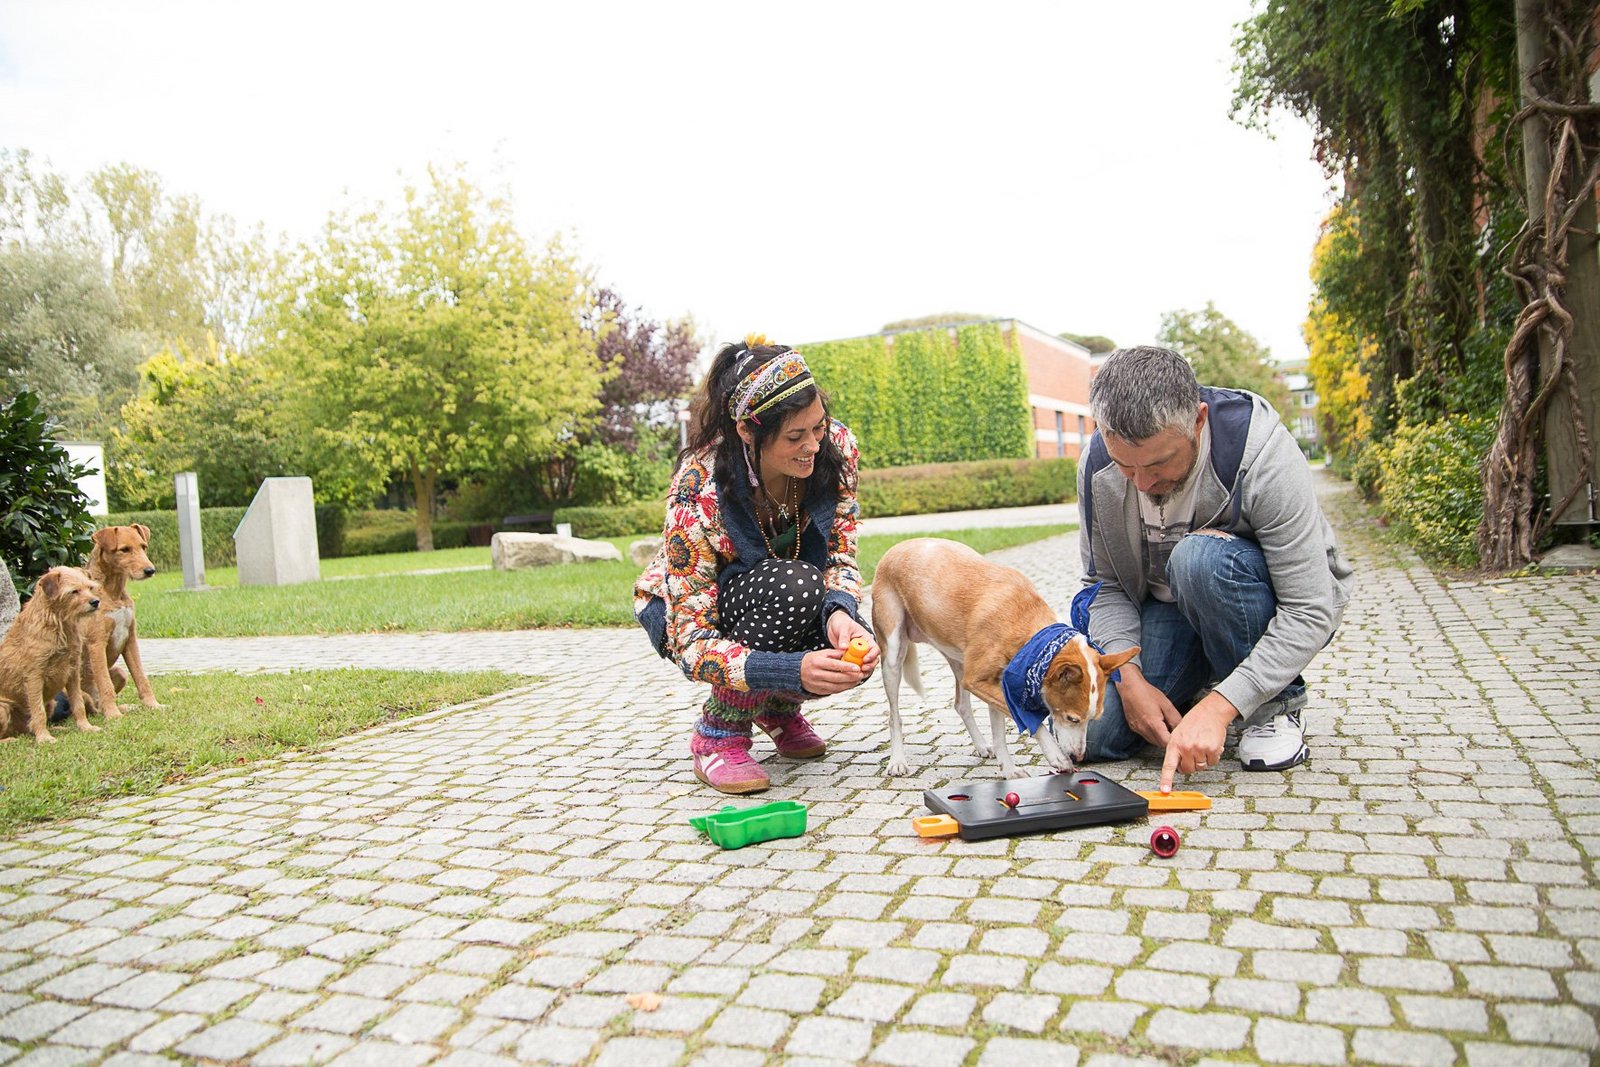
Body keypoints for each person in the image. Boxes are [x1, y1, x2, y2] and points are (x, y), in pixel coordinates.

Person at [1077, 346, 1354, 792]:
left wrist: (1222, 707)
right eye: (1126, 466)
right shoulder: (1096, 465)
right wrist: (1128, 680)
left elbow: (1310, 608)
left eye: (1157, 464)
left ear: (1199, 420)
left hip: (1238, 590)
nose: (1143, 484)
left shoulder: (1261, 453)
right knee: (1095, 735)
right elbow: (1105, 585)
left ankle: (1273, 707)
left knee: (1197, 560)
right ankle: (1200, 678)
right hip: (1170, 609)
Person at [635, 335, 879, 794]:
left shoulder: (838, 449)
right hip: (686, 615)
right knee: (794, 586)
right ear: (748, 431)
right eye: (794, 436)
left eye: (818, 427)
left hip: (783, 592)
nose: (813, 444)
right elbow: (692, 640)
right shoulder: (698, 490)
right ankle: (718, 734)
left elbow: (840, 555)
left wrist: (843, 615)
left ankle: (774, 707)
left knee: (810, 595)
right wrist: (791, 672)